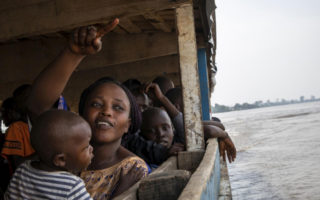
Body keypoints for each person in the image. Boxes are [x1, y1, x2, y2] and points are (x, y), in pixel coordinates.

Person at [26, 19, 148, 199]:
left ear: (128, 125)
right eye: (96, 104)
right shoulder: (60, 151)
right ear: (81, 115)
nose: (106, 111)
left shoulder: (131, 170)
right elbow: (37, 107)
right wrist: (73, 54)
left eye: (117, 107)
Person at [5, 110, 94, 200]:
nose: (91, 149)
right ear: (61, 160)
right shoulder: (72, 185)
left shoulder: (22, 170)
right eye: (86, 147)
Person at [165, 87, 236, 163]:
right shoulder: (179, 126)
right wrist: (225, 135)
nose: (192, 107)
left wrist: (224, 135)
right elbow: (210, 131)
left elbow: (221, 125)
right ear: (177, 107)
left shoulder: (185, 123)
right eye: (188, 104)